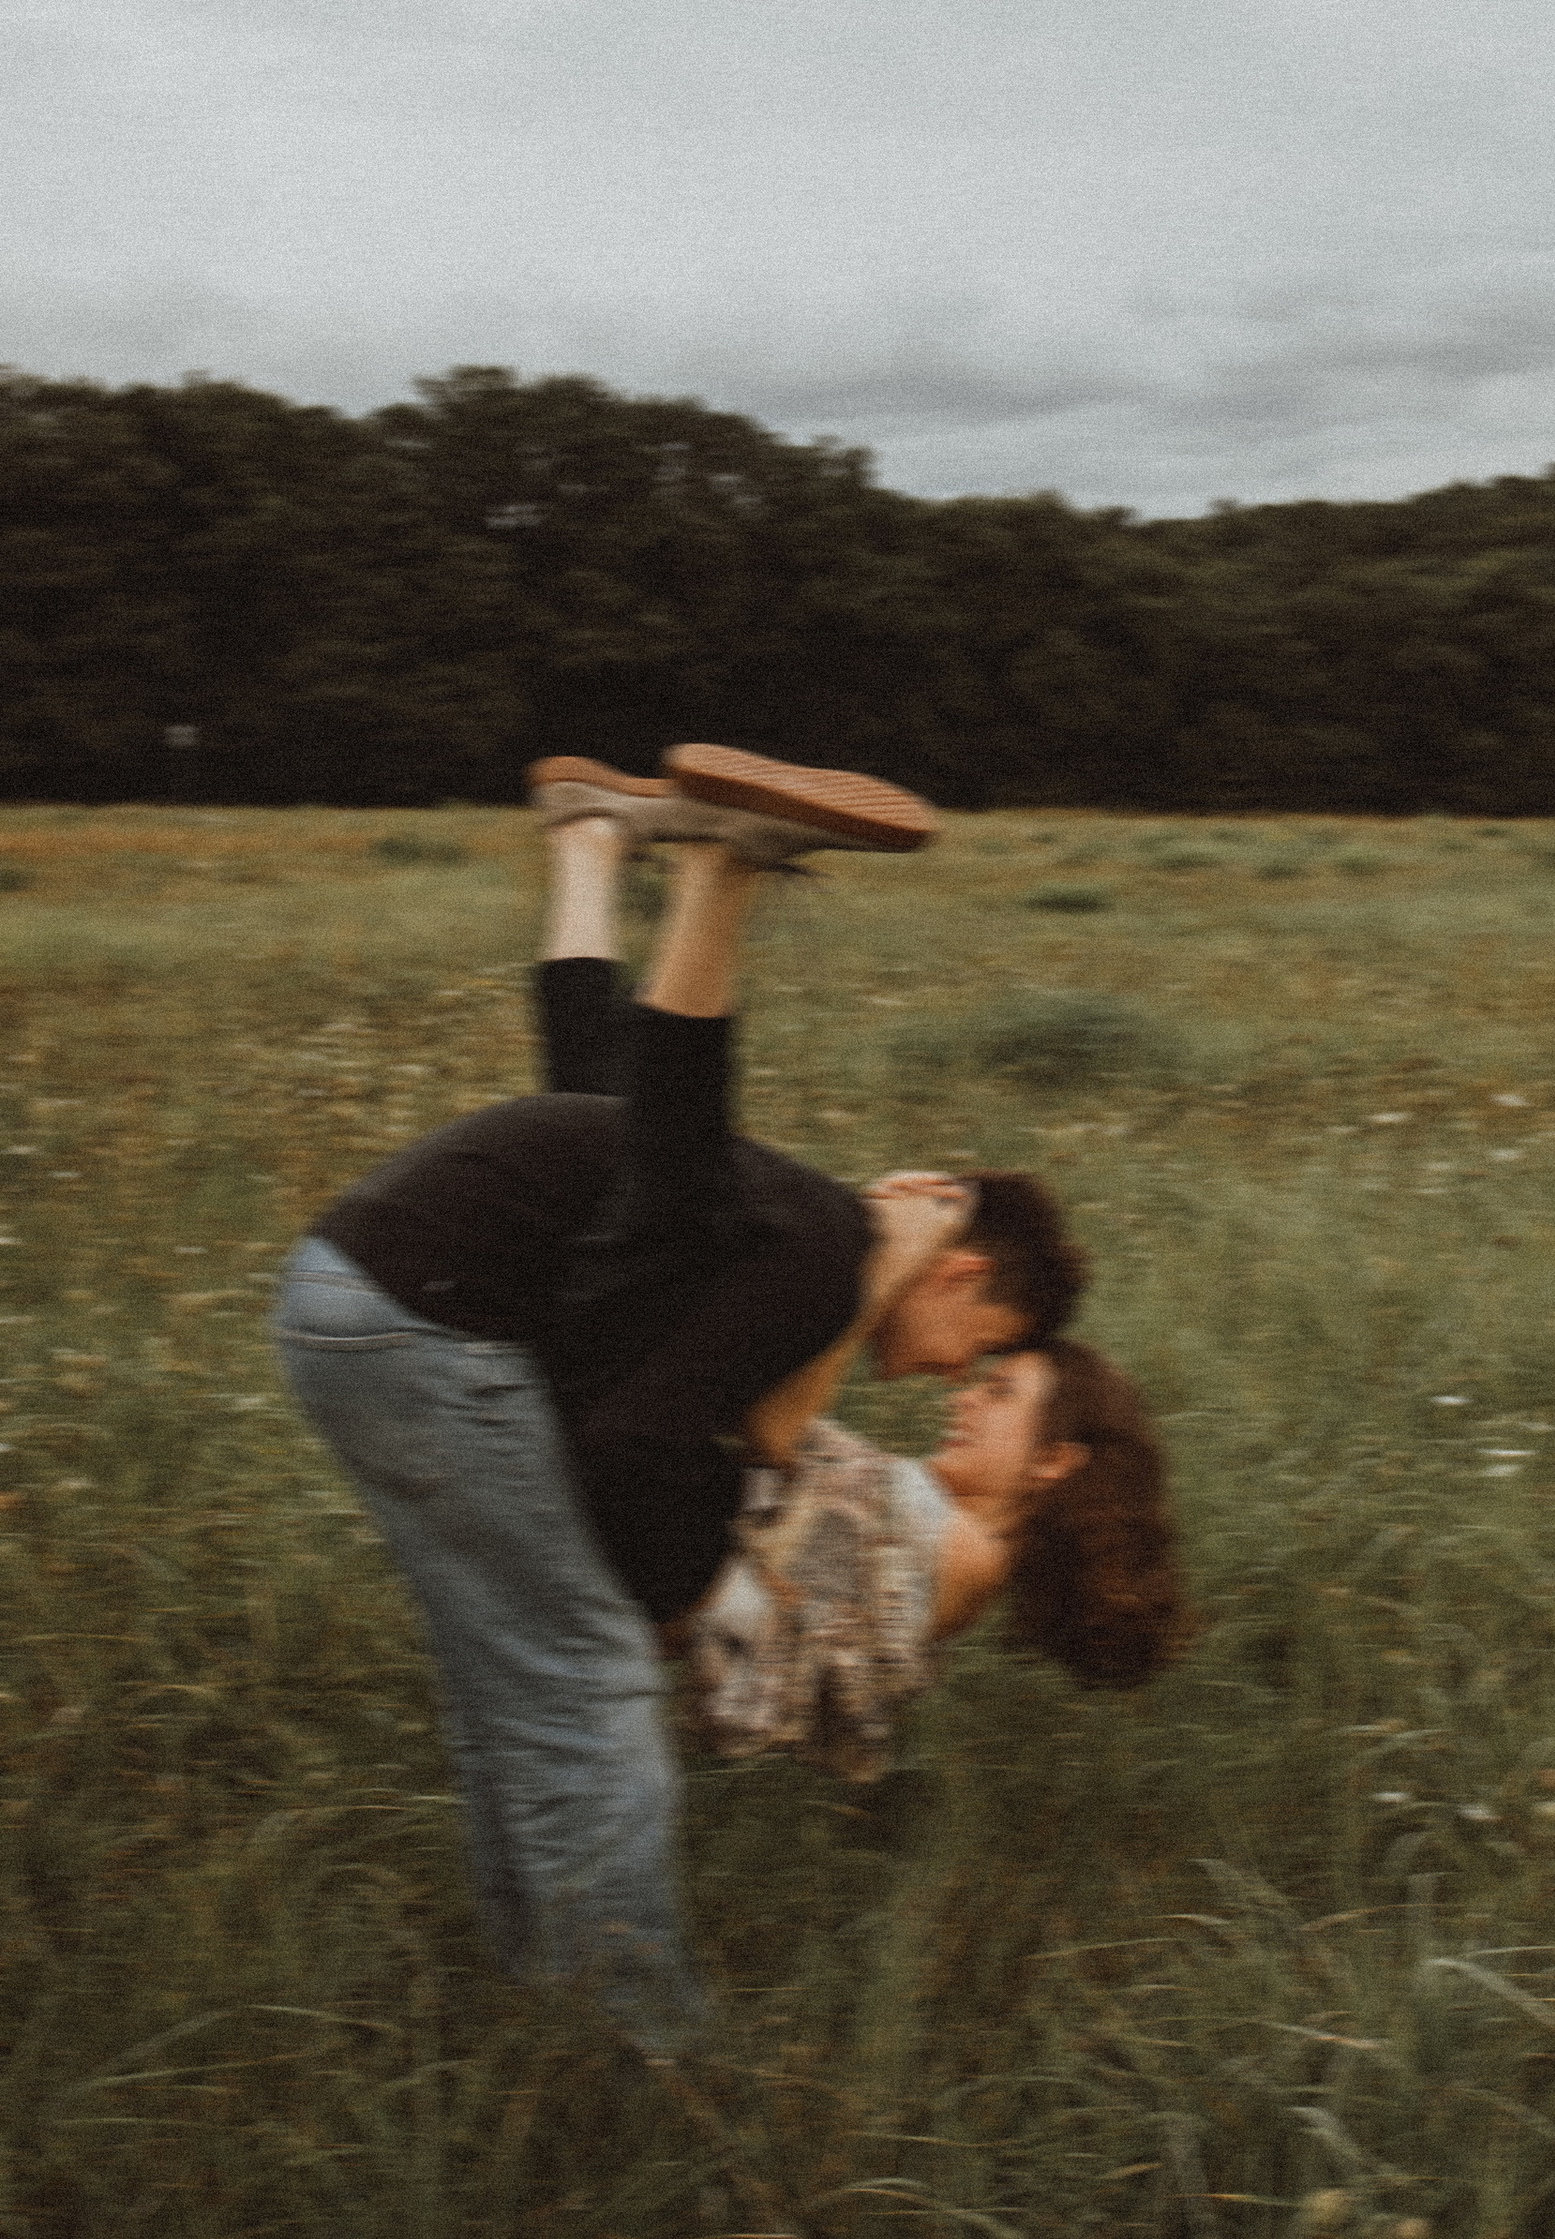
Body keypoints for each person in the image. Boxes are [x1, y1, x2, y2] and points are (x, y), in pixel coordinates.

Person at [269, 744, 1190, 2053]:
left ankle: (628, 857)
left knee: (517, 1684)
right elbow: (694, 1440)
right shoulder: (815, 1260)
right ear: (967, 1273)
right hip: (415, 1324)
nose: (942, 1382)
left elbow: (737, 1413)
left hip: (361, 1297)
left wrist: (873, 1286)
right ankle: (640, 2050)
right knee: (582, 1690)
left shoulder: (796, 1245)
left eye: (995, 1386)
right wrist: (872, 1291)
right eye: (979, 1350)